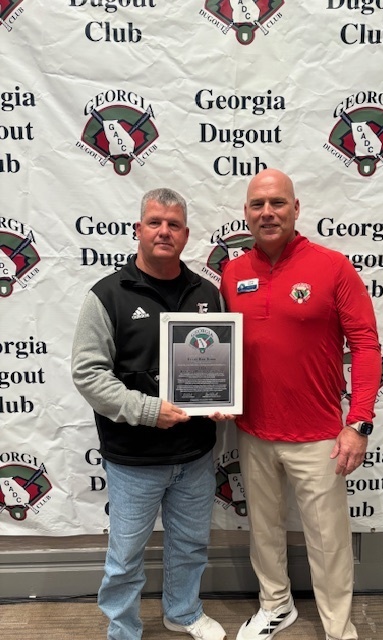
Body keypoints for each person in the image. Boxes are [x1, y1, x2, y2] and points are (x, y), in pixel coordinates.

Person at [219, 169, 382, 640]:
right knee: (263, 531)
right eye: (257, 204)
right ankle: (276, 605)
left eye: (277, 203)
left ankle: (337, 628)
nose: (267, 212)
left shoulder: (333, 266)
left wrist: (359, 422)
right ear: (246, 213)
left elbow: (366, 346)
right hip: (253, 431)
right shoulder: (232, 273)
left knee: (329, 541)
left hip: (319, 436)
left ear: (296, 208)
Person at [71, 188, 226, 640]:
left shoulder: (207, 293)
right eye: (155, 222)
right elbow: (87, 374)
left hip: (195, 455)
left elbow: (218, 363)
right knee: (125, 557)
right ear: (138, 230)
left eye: (173, 224)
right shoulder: (107, 295)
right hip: (133, 460)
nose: (164, 231)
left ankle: (184, 612)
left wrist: (221, 399)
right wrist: (145, 410)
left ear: (186, 235)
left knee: (191, 546)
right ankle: (123, 629)